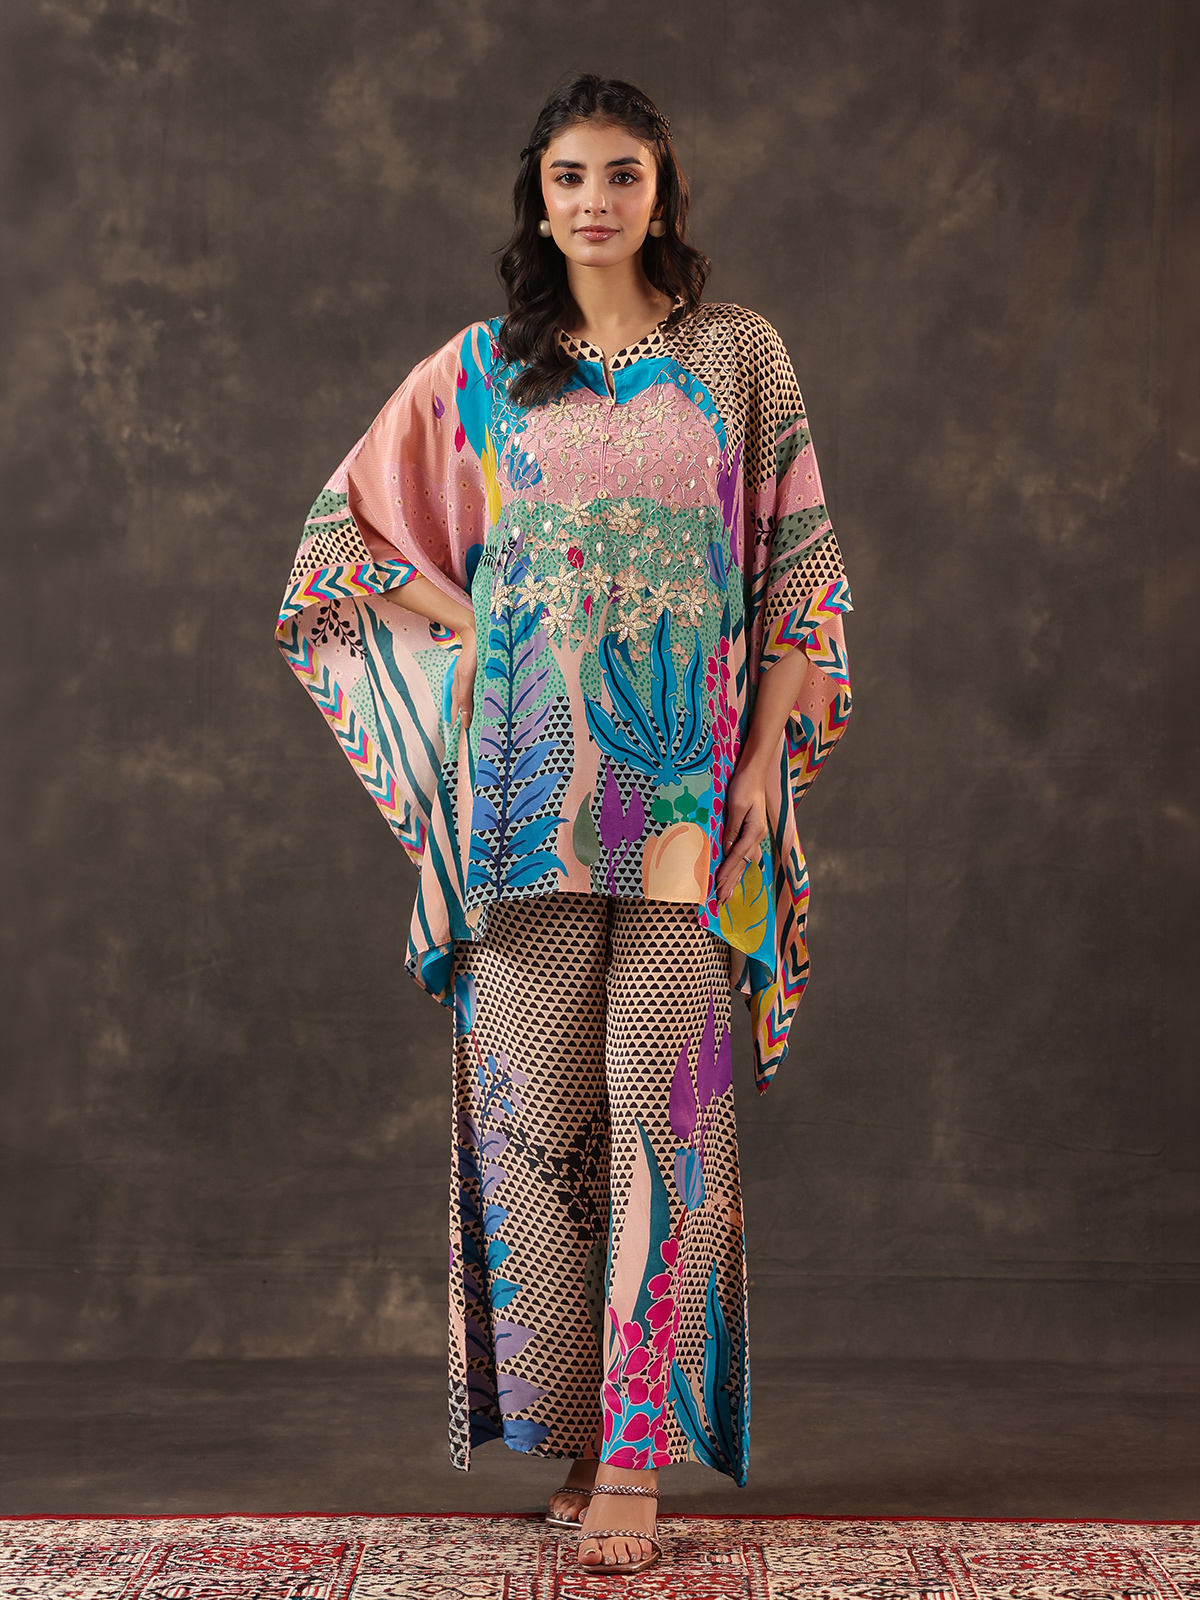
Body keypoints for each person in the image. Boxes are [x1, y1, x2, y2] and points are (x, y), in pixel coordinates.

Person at [277, 73, 852, 1576]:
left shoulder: (740, 358)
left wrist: (759, 764)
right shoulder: (482, 371)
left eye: (623, 174)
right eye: (569, 177)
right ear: (538, 199)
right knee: (539, 1126)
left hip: (683, 808)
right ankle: (586, 1442)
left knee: (666, 1117)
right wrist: (478, 622)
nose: (596, 201)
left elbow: (800, 573)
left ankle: (640, 1464)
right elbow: (339, 541)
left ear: (664, 190)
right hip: (525, 809)